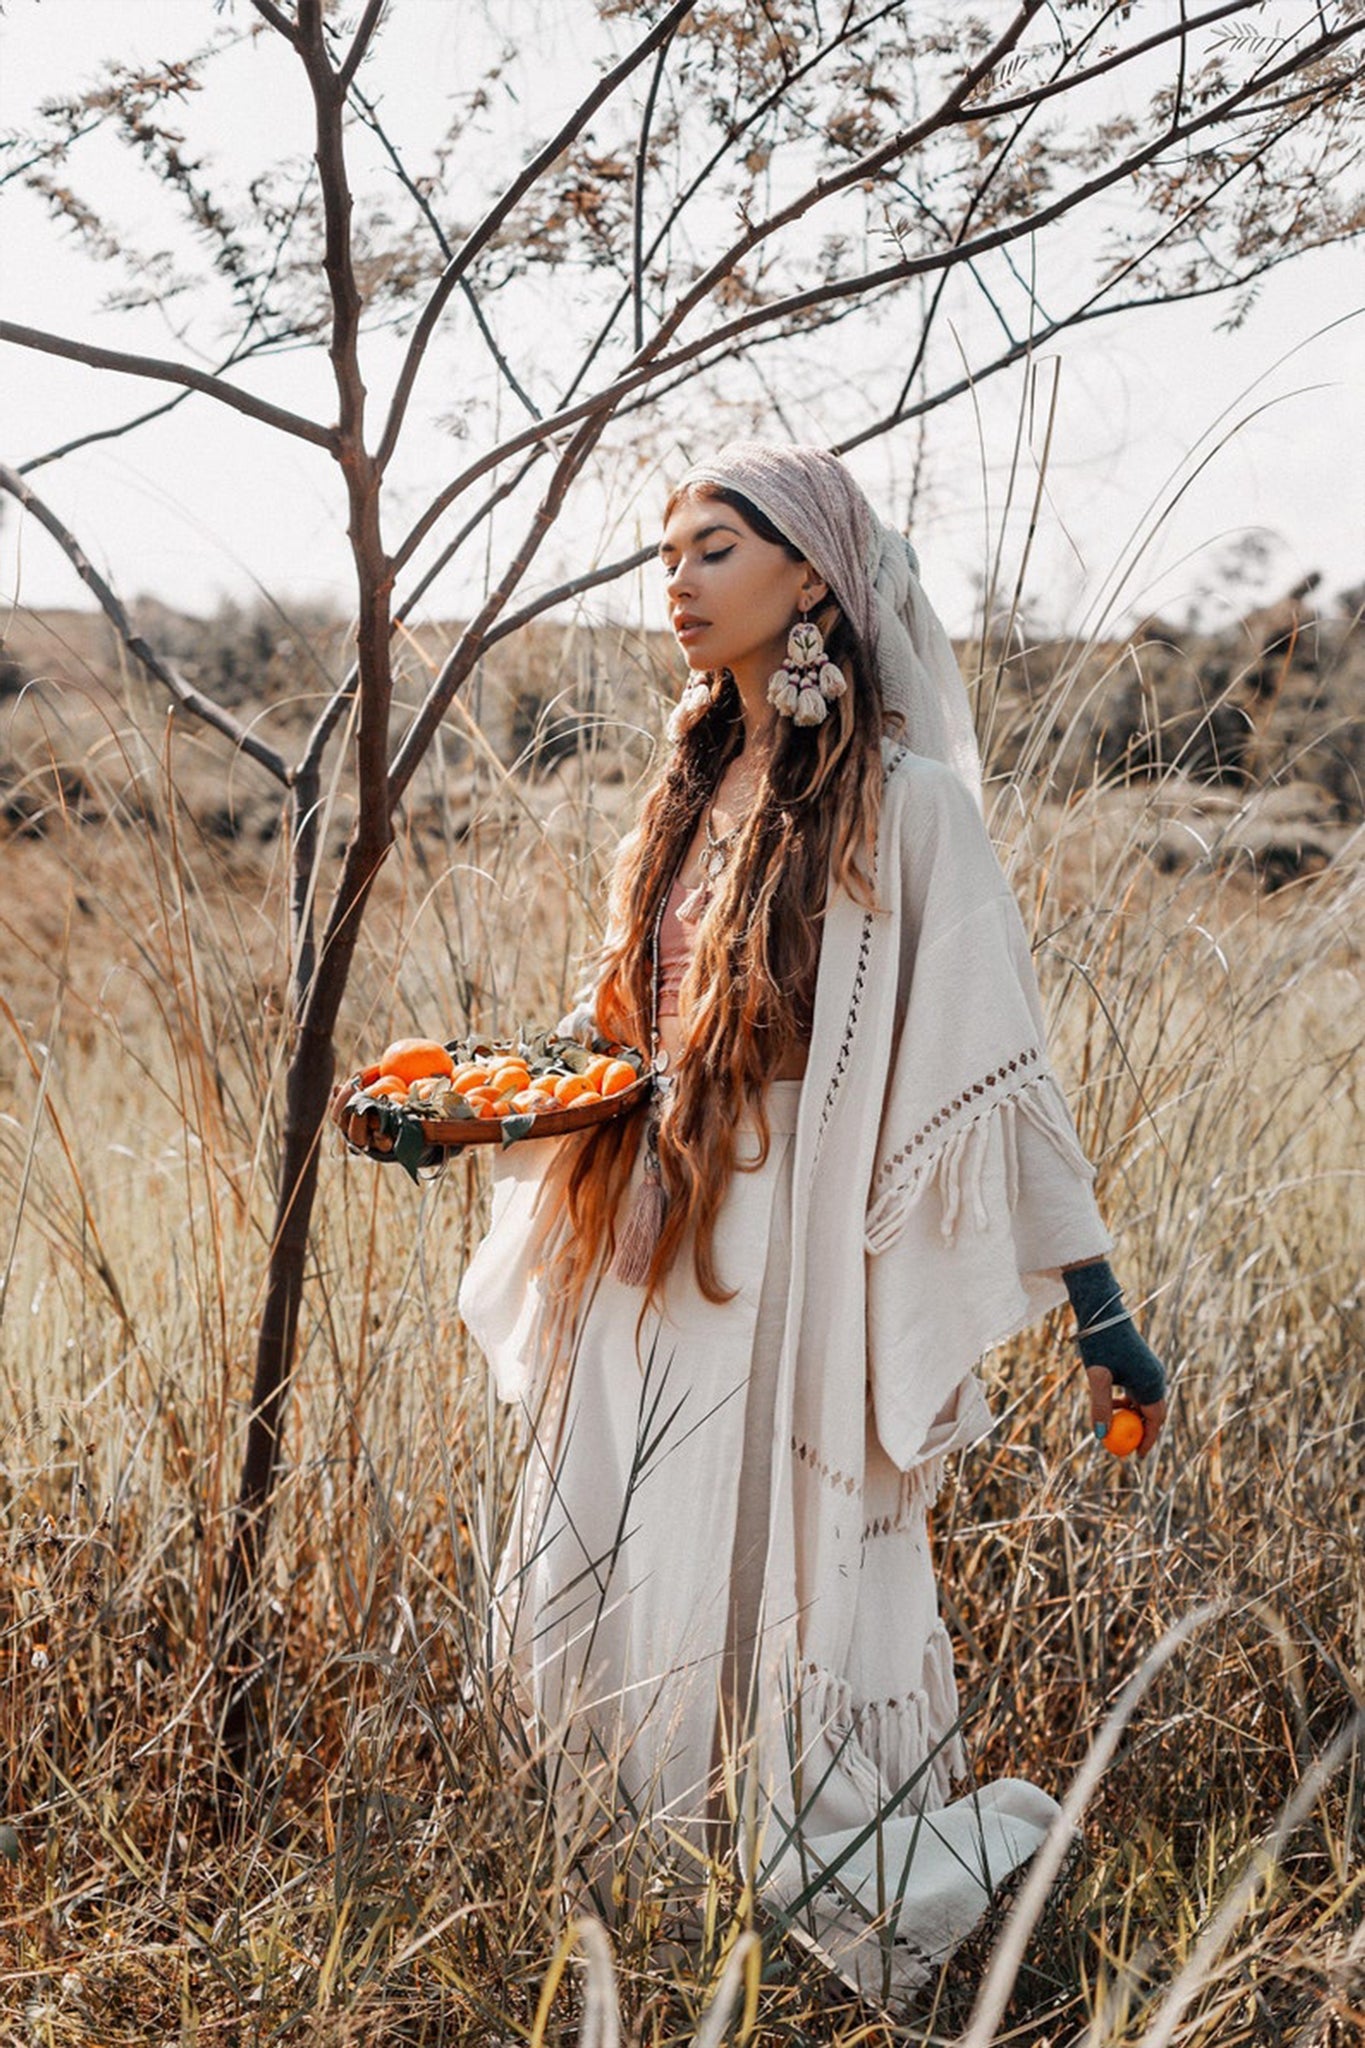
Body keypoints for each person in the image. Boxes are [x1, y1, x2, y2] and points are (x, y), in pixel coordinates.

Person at [455, 442, 1167, 2000]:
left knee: (769, 1577)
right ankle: (632, 1893)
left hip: (794, 1257)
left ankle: (827, 1890)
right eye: (668, 552)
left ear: (816, 585)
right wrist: (506, 1104)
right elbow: (624, 1032)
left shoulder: (908, 810)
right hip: (640, 1237)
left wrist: (1102, 1315)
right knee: (618, 1553)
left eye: (713, 548)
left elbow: (999, 1079)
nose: (677, 580)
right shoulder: (686, 783)